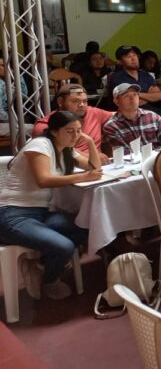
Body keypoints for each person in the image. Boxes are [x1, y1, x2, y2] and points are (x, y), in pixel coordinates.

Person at [0, 110, 102, 300]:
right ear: (54, 131)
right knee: (64, 247)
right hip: (12, 214)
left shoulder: (66, 149)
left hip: (41, 213)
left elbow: (94, 168)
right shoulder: (40, 144)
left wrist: (88, 142)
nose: (75, 135)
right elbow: (43, 180)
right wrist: (84, 176)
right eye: (70, 131)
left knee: (87, 225)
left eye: (78, 131)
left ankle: (40, 265)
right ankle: (49, 280)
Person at [33, 84, 113, 163]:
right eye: (75, 101)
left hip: (98, 166)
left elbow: (119, 115)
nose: (82, 105)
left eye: (85, 101)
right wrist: (92, 156)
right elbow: (60, 151)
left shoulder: (93, 113)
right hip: (66, 168)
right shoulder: (45, 126)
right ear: (60, 102)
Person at [102, 83, 161, 150]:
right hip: (131, 161)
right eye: (126, 96)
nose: (132, 98)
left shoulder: (153, 116)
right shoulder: (111, 126)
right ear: (116, 101)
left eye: (135, 94)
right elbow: (123, 154)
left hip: (158, 158)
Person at [106, 45, 161, 114]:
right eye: (128, 56)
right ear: (120, 61)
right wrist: (149, 96)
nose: (133, 59)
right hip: (129, 115)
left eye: (134, 55)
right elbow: (130, 103)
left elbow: (159, 96)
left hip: (150, 112)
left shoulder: (145, 74)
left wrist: (136, 94)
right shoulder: (116, 77)